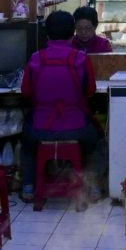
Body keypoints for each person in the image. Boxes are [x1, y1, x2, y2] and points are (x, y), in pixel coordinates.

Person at [20, 10, 104, 204]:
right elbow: (90, 90)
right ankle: (93, 188)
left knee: (27, 146)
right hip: (77, 127)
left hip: (40, 128)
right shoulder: (81, 59)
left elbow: (26, 92)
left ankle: (28, 188)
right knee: (96, 143)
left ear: (47, 34)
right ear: (72, 33)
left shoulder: (36, 59)